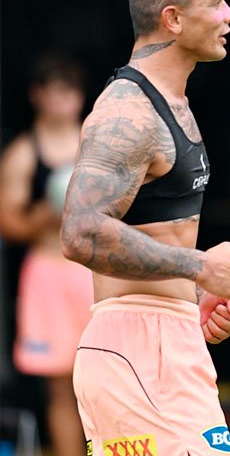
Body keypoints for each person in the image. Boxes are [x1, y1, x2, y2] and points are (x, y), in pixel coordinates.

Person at [59, 0, 230, 456]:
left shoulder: (172, 102)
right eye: (216, 3)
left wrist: (190, 300)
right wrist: (201, 266)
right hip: (136, 350)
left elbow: (149, 232)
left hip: (168, 342)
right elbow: (80, 231)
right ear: (173, 18)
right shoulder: (127, 111)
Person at [0, 53, 93, 456]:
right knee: (60, 385)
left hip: (96, 270)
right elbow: (9, 224)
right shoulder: (23, 153)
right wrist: (46, 214)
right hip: (50, 273)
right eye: (56, 92)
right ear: (37, 95)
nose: (64, 101)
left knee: (110, 376)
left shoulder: (100, 141)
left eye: (70, 92)